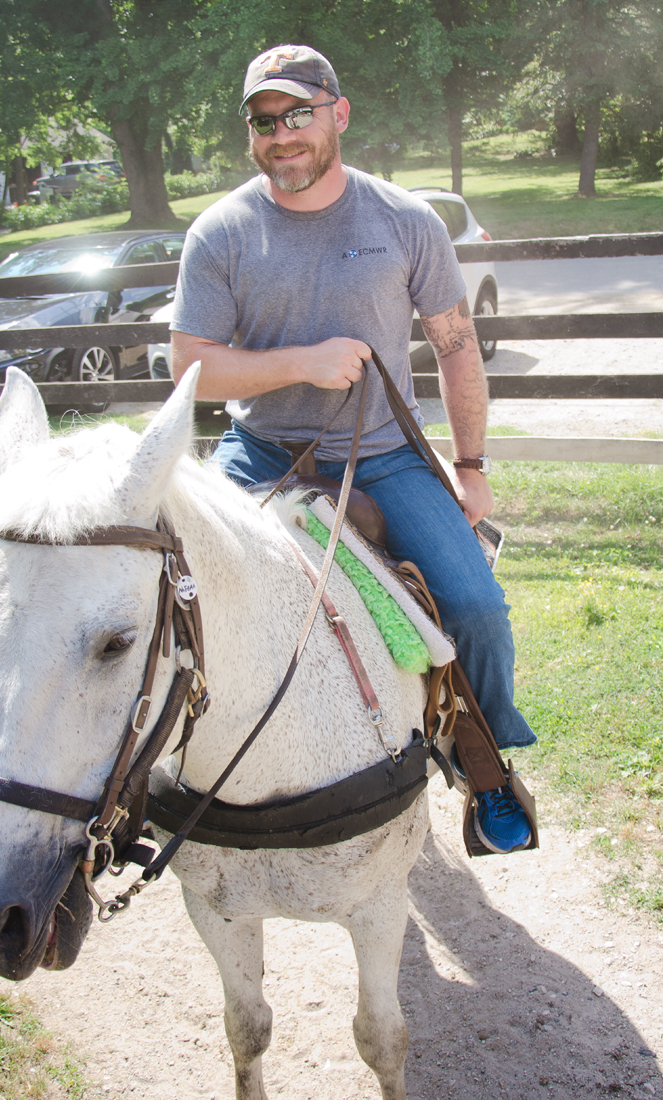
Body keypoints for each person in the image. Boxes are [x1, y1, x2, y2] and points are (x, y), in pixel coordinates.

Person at [170, 44, 535, 854]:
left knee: (474, 608)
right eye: (263, 121)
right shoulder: (222, 231)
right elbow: (189, 366)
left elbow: (455, 345)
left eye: (297, 113)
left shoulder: (404, 220)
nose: (281, 134)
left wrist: (469, 469)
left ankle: (485, 762)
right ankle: (165, 766)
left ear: (338, 113)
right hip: (261, 451)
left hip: (385, 457)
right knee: (174, 589)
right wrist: (301, 364)